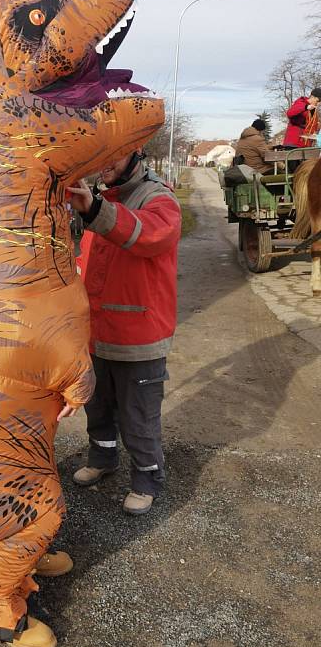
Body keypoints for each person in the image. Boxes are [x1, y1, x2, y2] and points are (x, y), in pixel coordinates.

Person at [68, 149, 181, 515]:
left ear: (136, 155)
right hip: (98, 334)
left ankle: (147, 480)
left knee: (138, 418)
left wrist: (96, 211)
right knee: (97, 407)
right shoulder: (103, 200)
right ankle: (103, 458)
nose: (106, 163)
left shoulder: (157, 198)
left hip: (139, 338)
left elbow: (151, 236)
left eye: (114, 156)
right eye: (101, 155)